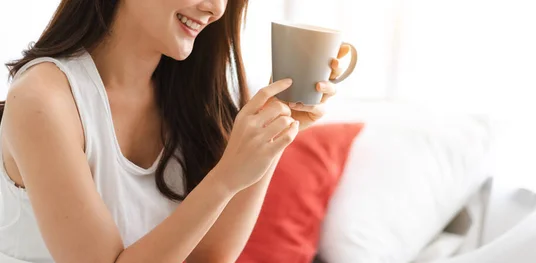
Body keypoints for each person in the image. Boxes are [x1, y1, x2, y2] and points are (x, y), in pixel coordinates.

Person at [0, 0, 351, 262]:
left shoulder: (191, 98)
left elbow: (208, 257)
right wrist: (226, 178)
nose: (214, 8)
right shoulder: (43, 100)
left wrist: (274, 135)